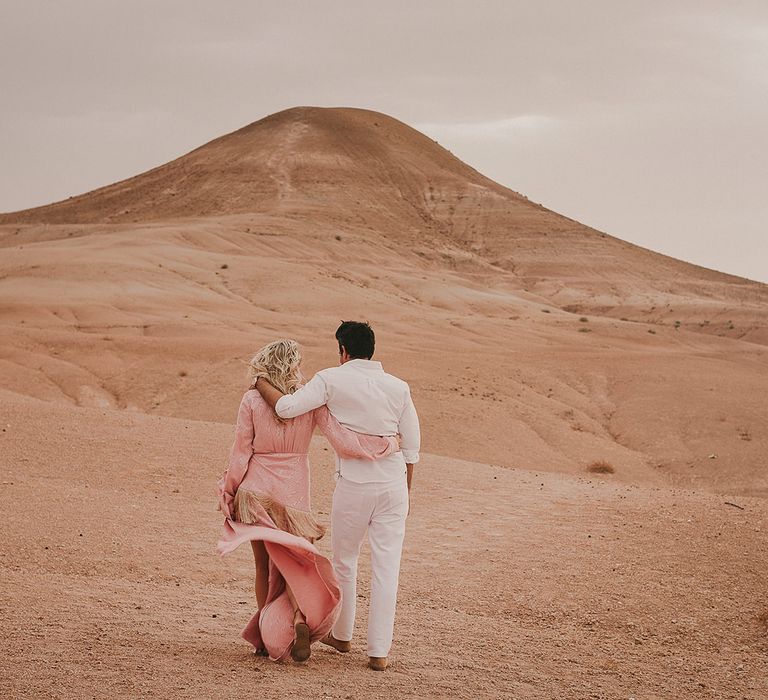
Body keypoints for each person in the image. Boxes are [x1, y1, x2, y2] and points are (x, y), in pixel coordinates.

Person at [217, 339, 400, 663]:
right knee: (295, 565)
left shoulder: (251, 399)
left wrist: (229, 490)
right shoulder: (310, 401)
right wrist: (384, 446)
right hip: (294, 496)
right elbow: (341, 438)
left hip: (255, 491)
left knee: (263, 565)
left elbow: (241, 450)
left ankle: (264, 636)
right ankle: (300, 619)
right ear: (293, 366)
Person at [255, 321, 420, 671]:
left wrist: (261, 383)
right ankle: (379, 652)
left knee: (346, 560)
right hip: (393, 485)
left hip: (355, 486)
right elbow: (412, 446)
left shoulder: (331, 378)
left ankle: (342, 635)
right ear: (371, 349)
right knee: (387, 568)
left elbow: (286, 408)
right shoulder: (399, 387)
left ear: (342, 350)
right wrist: (405, 490)